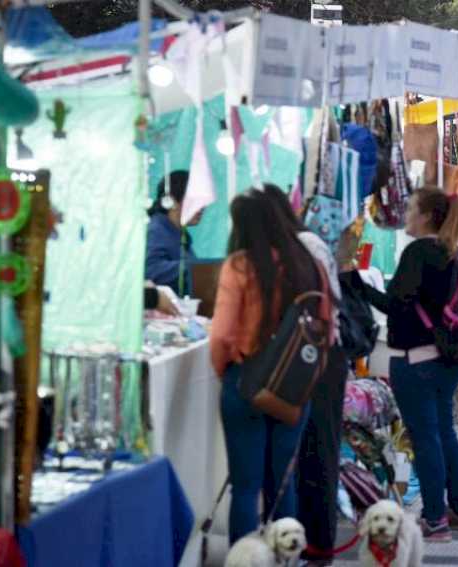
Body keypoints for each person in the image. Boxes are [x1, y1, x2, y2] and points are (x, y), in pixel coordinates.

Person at [210, 189, 328, 544]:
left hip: (245, 382)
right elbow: (326, 329)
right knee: (283, 482)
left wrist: (227, 374)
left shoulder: (239, 265)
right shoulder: (309, 263)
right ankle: (285, 557)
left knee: (245, 487)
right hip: (293, 388)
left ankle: (245, 558)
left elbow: (221, 336)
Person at [364, 188, 458, 542]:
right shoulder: (453, 254)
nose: (405, 214)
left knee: (426, 437)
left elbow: (397, 307)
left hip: (419, 361)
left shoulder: (418, 253)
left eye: (411, 208)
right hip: (450, 360)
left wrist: (355, 284)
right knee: (443, 431)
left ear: (426, 215)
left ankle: (435, 519)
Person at [261, 185, 347, 565]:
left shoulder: (301, 247)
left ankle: (316, 546)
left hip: (315, 357)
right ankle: (310, 545)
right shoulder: (308, 243)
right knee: (312, 451)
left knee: (314, 451)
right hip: (316, 356)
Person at [146, 170, 202, 296]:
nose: (201, 207)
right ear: (171, 200)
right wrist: (197, 269)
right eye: (194, 201)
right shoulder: (156, 230)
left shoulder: (179, 234)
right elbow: (150, 270)